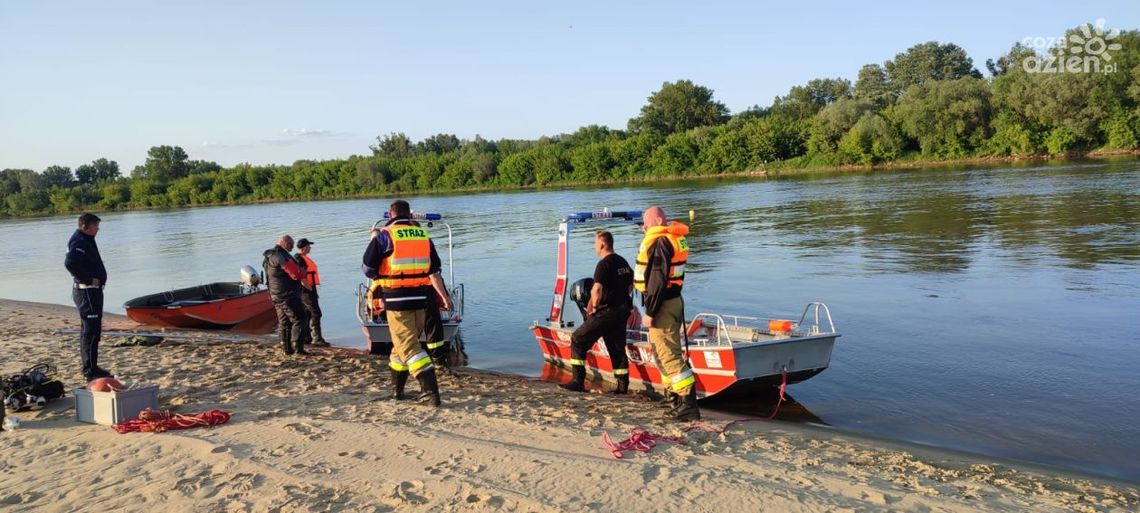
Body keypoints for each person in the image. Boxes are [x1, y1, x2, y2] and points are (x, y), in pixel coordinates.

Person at [362, 200, 453, 406]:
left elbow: (367, 268)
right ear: (408, 214)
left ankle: (431, 393)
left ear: (391, 214)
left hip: (396, 300)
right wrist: (445, 297)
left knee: (409, 348)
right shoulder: (423, 236)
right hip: (421, 299)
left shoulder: (385, 235)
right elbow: (434, 270)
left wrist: (374, 241)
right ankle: (397, 391)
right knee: (400, 348)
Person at [636, 205, 699, 421]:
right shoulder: (670, 238)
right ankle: (673, 397)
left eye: (645, 223)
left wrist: (650, 312)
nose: (643, 227)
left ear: (655, 222)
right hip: (672, 300)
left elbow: (657, 280)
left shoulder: (661, 242)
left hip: (662, 305)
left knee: (668, 354)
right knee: (661, 351)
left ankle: (688, 404)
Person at [560, 230, 634, 394]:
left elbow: (597, 289)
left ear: (601, 244)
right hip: (623, 310)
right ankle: (622, 388)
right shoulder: (622, 261)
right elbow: (631, 285)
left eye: (595, 243)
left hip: (607, 311)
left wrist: (593, 306)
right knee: (616, 348)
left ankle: (578, 381)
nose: (595, 246)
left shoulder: (604, 264)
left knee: (578, 339)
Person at [64, 213, 113, 381]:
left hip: (92, 292)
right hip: (87, 292)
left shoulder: (85, 239)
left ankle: (91, 366)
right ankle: (90, 370)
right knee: (91, 331)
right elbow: (70, 263)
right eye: (95, 226)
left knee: (91, 330)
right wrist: (87, 279)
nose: (98, 229)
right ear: (85, 226)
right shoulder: (79, 241)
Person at [263, 234, 310, 356]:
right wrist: (303, 272)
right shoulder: (280, 256)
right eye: (290, 245)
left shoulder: (270, 256)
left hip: (275, 294)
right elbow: (295, 273)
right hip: (287, 294)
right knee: (300, 319)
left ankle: (286, 348)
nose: (291, 248)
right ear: (284, 243)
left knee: (284, 322)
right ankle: (298, 348)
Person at [294, 238, 329, 347]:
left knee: (307, 313)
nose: (310, 247)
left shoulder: (302, 258)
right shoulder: (300, 259)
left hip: (308, 289)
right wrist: (309, 288)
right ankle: (317, 338)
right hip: (306, 290)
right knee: (316, 313)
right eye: (309, 246)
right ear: (304, 248)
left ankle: (306, 337)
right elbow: (302, 276)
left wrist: (314, 291)